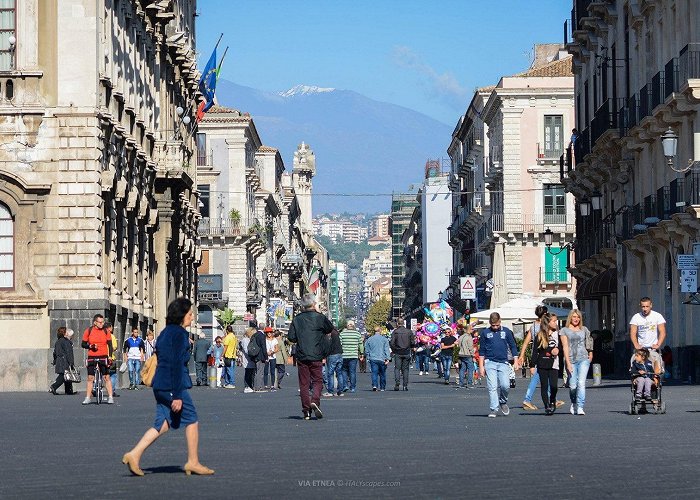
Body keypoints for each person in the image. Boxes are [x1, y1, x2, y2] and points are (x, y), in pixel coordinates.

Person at [122, 298, 213, 476]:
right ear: (181, 315)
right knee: (192, 419)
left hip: (160, 384)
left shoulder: (164, 332)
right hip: (172, 384)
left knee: (162, 424)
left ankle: (134, 454)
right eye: (189, 314)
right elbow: (176, 364)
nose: (192, 317)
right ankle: (193, 461)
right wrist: (178, 395)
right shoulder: (179, 334)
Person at [287, 293, 334, 420]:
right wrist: (318, 312)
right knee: (318, 380)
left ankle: (306, 411)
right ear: (313, 304)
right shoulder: (319, 318)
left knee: (304, 383)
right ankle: (315, 400)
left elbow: (291, 337)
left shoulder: (297, 319)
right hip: (316, 354)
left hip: (302, 355)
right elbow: (330, 328)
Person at [518, 305, 563, 410]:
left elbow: (526, 342)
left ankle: (549, 400)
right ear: (544, 315)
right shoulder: (545, 327)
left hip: (538, 357)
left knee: (542, 381)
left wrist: (522, 355)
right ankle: (528, 399)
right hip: (542, 357)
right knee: (539, 380)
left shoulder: (533, 326)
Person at [478, 312, 520, 418]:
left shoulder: (506, 332)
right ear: (490, 323)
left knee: (505, 385)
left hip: (503, 362)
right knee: (492, 387)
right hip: (490, 362)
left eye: (497, 325)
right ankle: (494, 408)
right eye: (493, 325)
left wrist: (516, 360)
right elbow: (482, 351)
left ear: (500, 322)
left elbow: (513, 346)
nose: (495, 327)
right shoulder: (485, 333)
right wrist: (481, 366)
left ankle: (503, 401)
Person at [560, 309, 593, 415]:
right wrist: (568, 362)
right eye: (574, 317)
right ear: (570, 317)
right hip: (571, 360)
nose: (576, 319)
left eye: (578, 317)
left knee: (581, 383)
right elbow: (565, 347)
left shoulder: (584, 329)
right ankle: (573, 403)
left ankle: (580, 406)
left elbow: (589, 342)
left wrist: (590, 354)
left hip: (583, 358)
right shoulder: (564, 330)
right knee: (573, 385)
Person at [531, 312, 561, 415]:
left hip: (554, 364)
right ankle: (547, 406)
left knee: (554, 386)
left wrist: (558, 349)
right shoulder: (540, 335)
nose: (555, 323)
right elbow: (535, 351)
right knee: (544, 386)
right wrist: (532, 365)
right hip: (542, 363)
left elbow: (562, 346)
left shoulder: (558, 334)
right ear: (548, 322)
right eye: (553, 321)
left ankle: (552, 400)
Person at [81, 314, 114, 405]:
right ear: (95, 322)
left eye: (103, 322)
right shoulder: (89, 330)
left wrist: (110, 356)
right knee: (90, 378)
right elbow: (83, 344)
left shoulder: (106, 331)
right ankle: (88, 397)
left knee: (106, 377)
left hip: (103, 355)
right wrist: (90, 346)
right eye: (100, 322)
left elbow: (110, 345)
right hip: (92, 356)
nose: (102, 324)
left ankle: (110, 397)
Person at [629, 297, 666, 368]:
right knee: (634, 366)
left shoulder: (657, 316)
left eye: (647, 306)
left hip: (653, 349)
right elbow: (633, 333)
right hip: (641, 349)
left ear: (651, 305)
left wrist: (658, 344)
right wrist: (636, 344)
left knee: (656, 370)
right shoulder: (636, 317)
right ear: (640, 306)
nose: (645, 309)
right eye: (643, 306)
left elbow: (662, 331)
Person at [389, 318, 414, 391]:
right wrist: (410, 347)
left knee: (397, 368)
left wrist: (394, 350)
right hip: (406, 352)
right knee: (405, 369)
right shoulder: (409, 332)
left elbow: (392, 343)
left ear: (397, 323)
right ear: (403, 323)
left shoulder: (395, 332)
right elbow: (413, 342)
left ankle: (397, 383)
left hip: (398, 352)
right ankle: (405, 385)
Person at [50, 327, 76, 395]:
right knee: (64, 376)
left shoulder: (58, 341)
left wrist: (55, 360)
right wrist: (71, 363)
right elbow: (69, 353)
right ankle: (54, 386)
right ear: (64, 333)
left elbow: (54, 352)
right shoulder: (66, 341)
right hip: (65, 361)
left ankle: (69, 390)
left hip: (59, 360)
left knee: (67, 375)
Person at [339, 320, 364, 393]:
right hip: (353, 356)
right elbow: (360, 344)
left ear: (347, 326)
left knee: (344, 371)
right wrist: (361, 353)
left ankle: (345, 385)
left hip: (344, 355)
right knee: (352, 372)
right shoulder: (357, 334)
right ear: (353, 326)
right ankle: (352, 387)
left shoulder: (342, 334)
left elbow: (340, 344)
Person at [365, 326, 391, 391]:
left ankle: (374, 385)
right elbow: (386, 349)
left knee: (374, 373)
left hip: (373, 358)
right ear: (380, 331)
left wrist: (368, 357)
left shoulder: (370, 339)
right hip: (382, 358)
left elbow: (367, 349)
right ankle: (382, 387)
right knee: (382, 373)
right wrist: (388, 358)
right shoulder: (384, 339)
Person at [322, 328, 344, 397]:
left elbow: (327, 346)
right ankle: (340, 391)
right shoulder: (336, 334)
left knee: (330, 373)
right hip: (340, 354)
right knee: (339, 373)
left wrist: (324, 355)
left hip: (332, 355)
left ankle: (330, 391)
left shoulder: (329, 334)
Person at [457, 323, 476, 388]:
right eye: (472, 329)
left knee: (462, 369)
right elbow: (470, 347)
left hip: (461, 354)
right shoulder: (469, 337)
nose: (473, 330)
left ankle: (461, 383)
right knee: (470, 369)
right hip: (467, 354)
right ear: (469, 330)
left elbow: (458, 345)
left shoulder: (461, 337)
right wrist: (473, 356)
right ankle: (469, 383)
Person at [240, 328, 257, 393]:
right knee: (248, 373)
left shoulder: (250, 339)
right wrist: (252, 354)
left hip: (251, 359)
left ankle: (250, 386)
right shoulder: (245, 340)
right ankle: (247, 386)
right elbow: (247, 350)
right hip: (248, 359)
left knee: (251, 373)